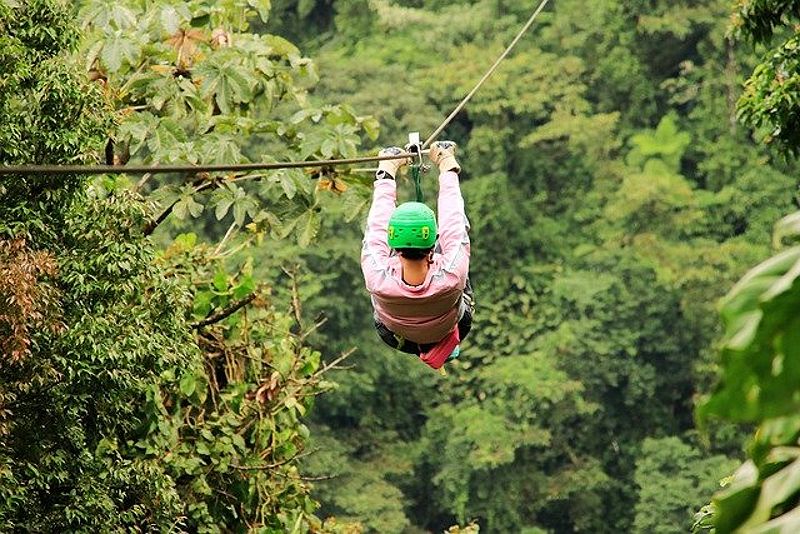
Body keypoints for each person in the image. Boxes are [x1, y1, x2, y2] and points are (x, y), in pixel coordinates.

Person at [361, 141, 474, 370]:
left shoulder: (377, 275)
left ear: (394, 244)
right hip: (453, 324)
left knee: (379, 246)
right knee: (455, 249)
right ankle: (443, 343)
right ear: (432, 244)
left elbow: (377, 228)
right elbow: (454, 226)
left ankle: (433, 343)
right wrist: (447, 166)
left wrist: (386, 171)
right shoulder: (451, 273)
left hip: (398, 337)